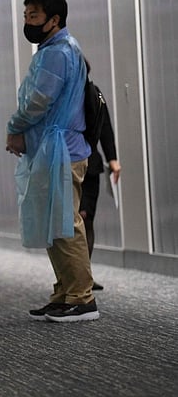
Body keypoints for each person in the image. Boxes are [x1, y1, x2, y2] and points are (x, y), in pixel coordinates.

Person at [6, 0, 98, 323]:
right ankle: (64, 292)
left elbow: (37, 102)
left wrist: (14, 127)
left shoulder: (57, 52)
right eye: (26, 15)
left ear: (54, 19)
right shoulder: (55, 49)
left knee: (66, 224)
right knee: (54, 224)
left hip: (63, 151)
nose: (28, 21)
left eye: (35, 16)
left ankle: (82, 297)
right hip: (53, 149)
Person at [79, 61, 120, 291]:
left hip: (89, 165)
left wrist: (112, 158)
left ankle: (84, 275)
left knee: (85, 219)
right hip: (71, 164)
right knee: (77, 222)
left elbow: (105, 128)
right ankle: (76, 275)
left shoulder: (94, 94)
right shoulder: (65, 96)